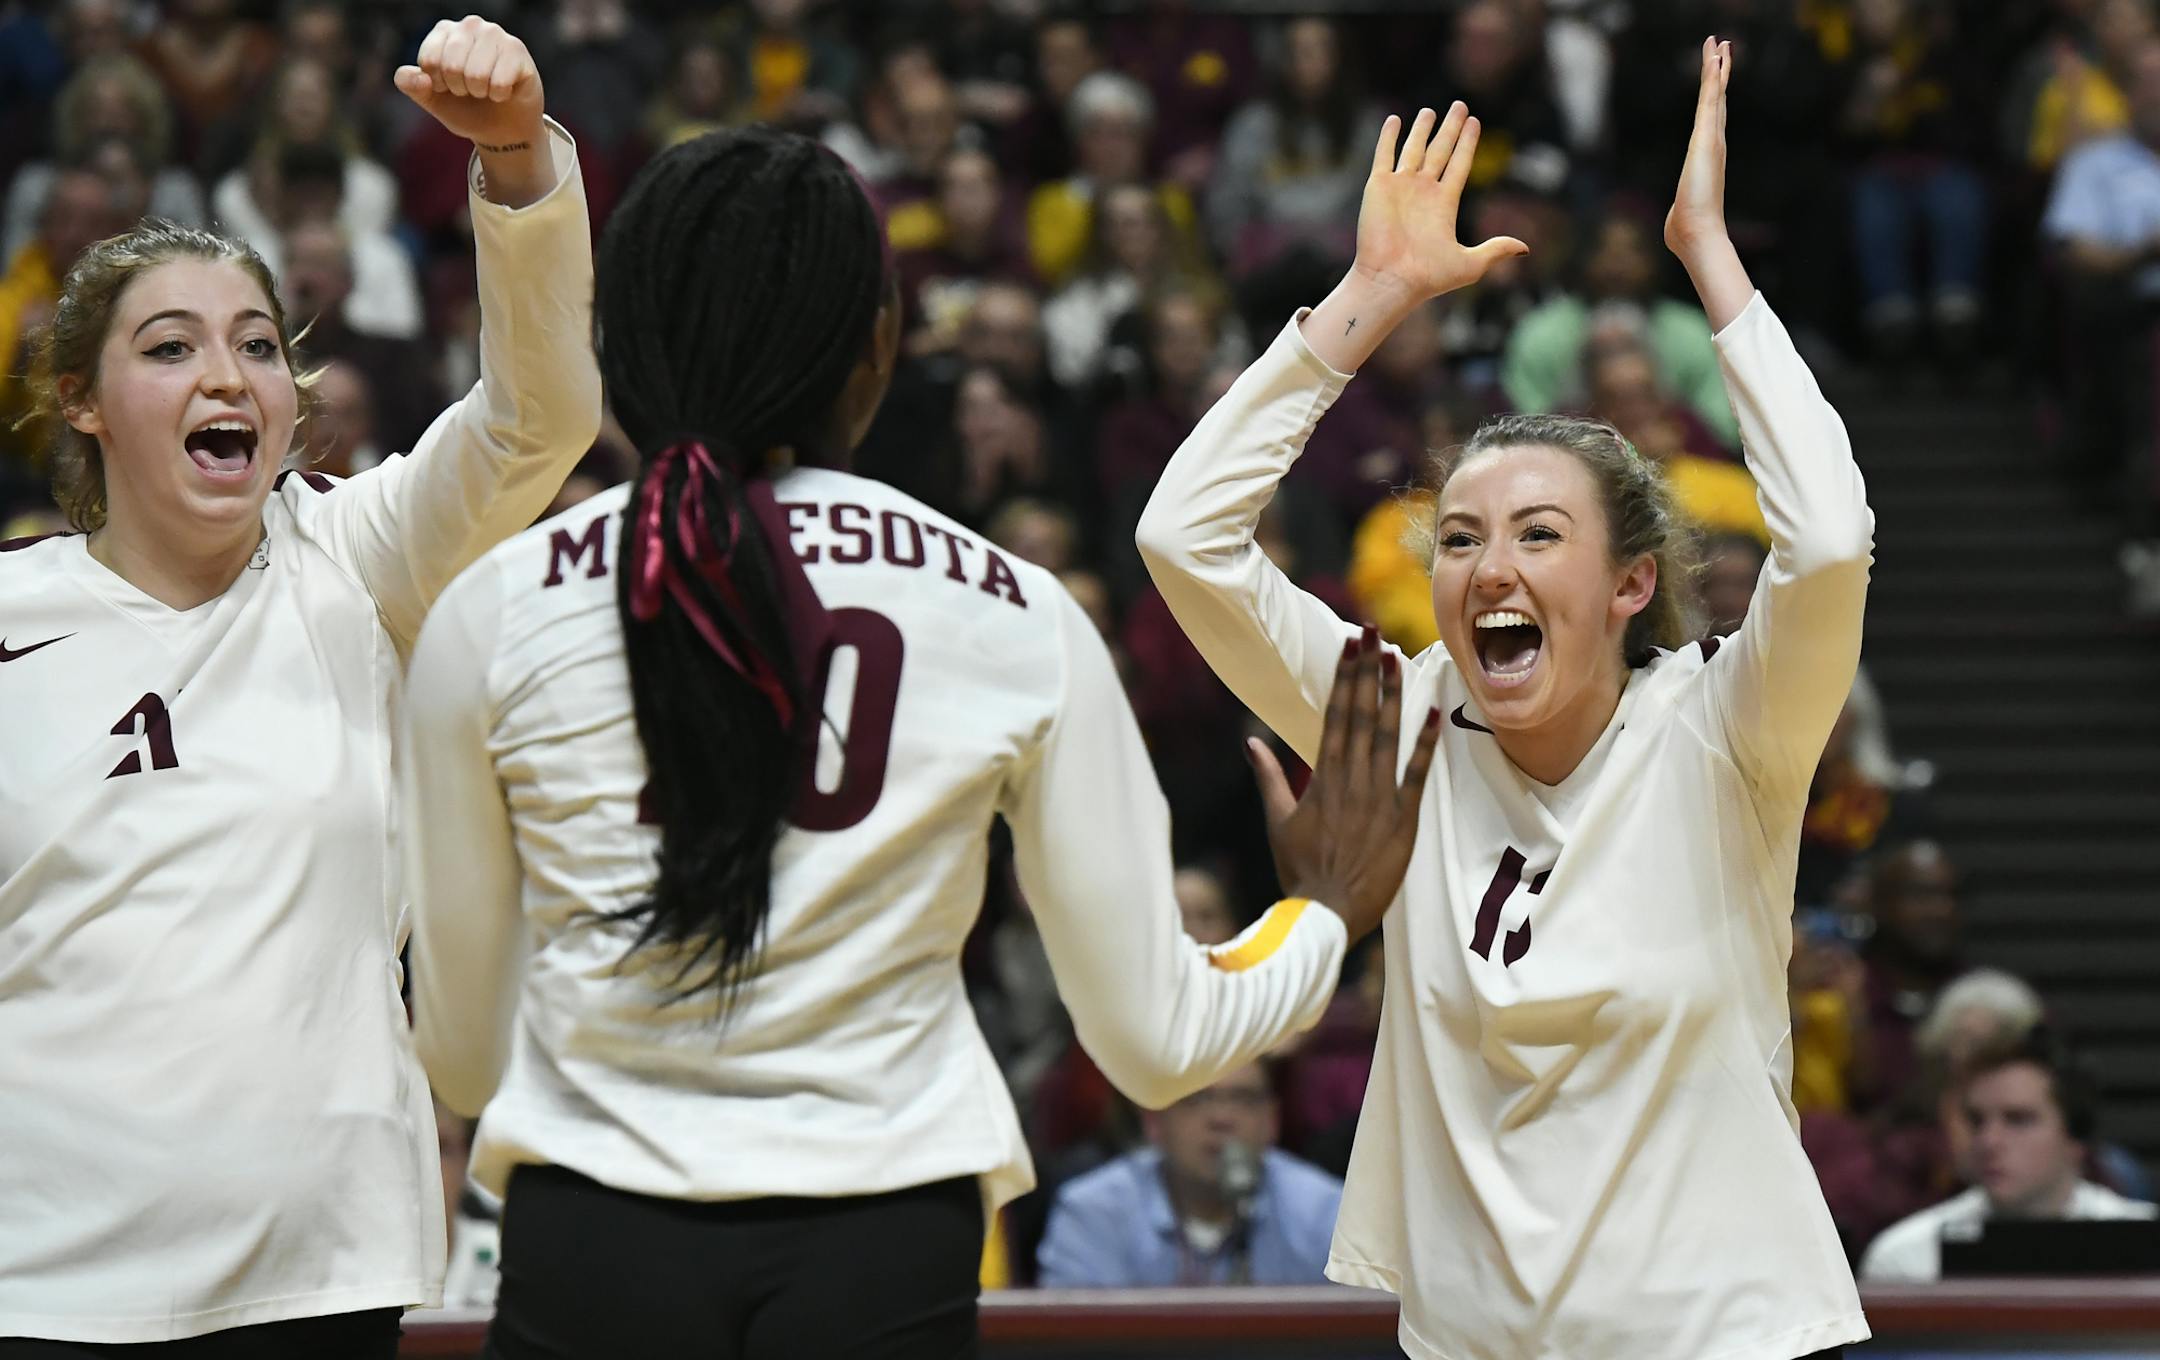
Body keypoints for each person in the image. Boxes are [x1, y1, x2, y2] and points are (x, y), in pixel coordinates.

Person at [397, 126, 1440, 1358]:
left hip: (592, 1232)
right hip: (884, 1238)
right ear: (879, 351)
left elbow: (464, 1059)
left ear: (618, 351)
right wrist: (1322, 913)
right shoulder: (1014, 610)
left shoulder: (492, 610)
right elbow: (1158, 1044)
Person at [1138, 43, 1873, 1360]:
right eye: (1462, 538)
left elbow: (1824, 545)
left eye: (1539, 534)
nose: (1489, 568)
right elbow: (1183, 541)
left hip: (1724, 1338)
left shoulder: (1726, 729)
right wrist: (1369, 297)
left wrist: (1710, 263)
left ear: (1631, 583)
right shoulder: (1399, 722)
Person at [0, 18, 598, 1355]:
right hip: (35, 1283)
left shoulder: (355, 557)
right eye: (169, 348)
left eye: (259, 345)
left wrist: (515, 162)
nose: (226, 374)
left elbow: (538, 421)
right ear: (82, 400)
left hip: (318, 1275)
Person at [1859, 1032, 2157, 1282]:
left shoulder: (2149, 1244)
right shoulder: (1906, 1258)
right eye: (1976, 1121)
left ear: (2075, 1138)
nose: (1988, 1141)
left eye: (2018, 1119)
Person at [1035, 1060, 1344, 1287]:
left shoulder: (1324, 1212)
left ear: (1272, 1120)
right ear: (1153, 1120)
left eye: (1243, 1098)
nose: (1221, 1118)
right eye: (1196, 1098)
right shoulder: (1093, 1213)